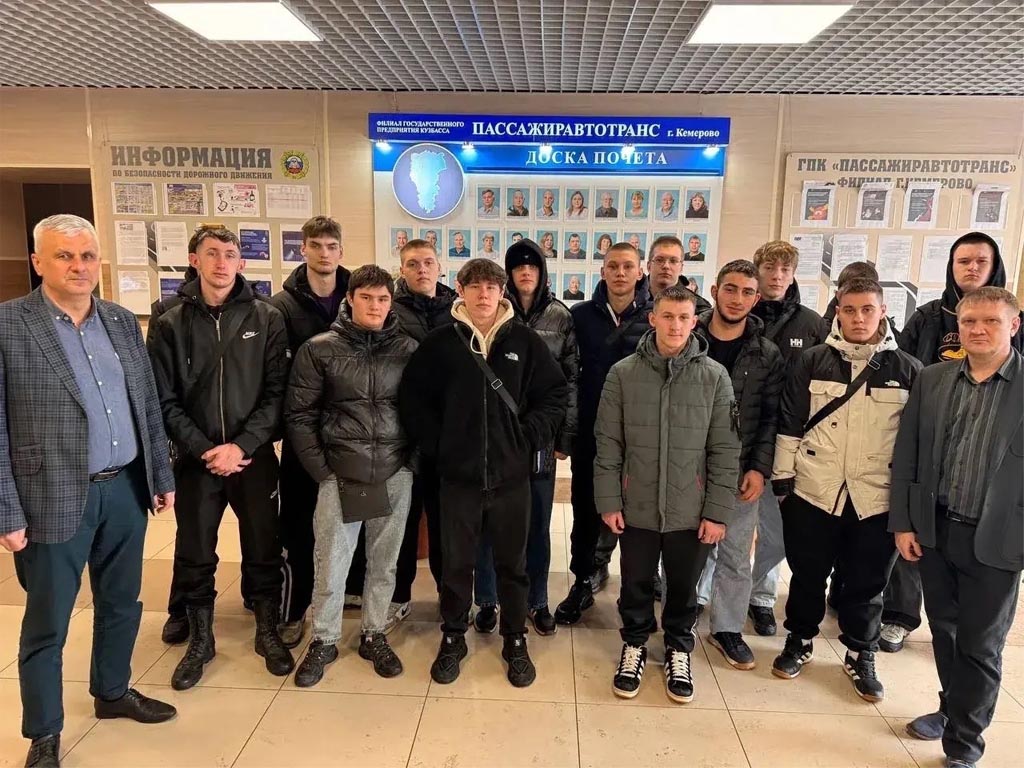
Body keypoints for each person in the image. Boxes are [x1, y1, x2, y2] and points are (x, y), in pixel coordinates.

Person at [1, 215, 178, 768]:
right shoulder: (8, 325)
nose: (79, 267)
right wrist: (6, 510)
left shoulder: (121, 322)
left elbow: (146, 404)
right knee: (48, 621)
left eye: (87, 256)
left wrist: (161, 476)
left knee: (122, 602)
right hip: (49, 496)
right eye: (64, 256)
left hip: (124, 487)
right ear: (38, 262)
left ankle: (112, 691)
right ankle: (44, 733)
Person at [399, 259, 568, 687]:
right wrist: (442, 447)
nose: (484, 294)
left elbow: (554, 394)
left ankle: (515, 637)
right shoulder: (441, 342)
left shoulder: (525, 341)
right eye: (474, 286)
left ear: (502, 290)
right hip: (458, 479)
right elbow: (414, 400)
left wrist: (526, 438)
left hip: (512, 479)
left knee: (513, 563)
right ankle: (454, 635)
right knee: (457, 563)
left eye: (492, 286)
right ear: (460, 289)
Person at [148, 226, 294, 691]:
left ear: (241, 262)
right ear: (194, 260)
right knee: (195, 550)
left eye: (230, 254)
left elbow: (277, 393)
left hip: (253, 458)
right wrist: (204, 448)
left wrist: (243, 445)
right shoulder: (169, 321)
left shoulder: (267, 316)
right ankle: (201, 639)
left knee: (263, 545)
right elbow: (163, 399)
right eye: (211, 253)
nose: (221, 262)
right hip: (198, 460)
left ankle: (267, 630)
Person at [770, 278, 921, 703]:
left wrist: (907, 501)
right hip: (814, 489)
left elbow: (913, 442)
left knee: (867, 581)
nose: (858, 318)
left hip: (875, 496)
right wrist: (783, 482)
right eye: (849, 309)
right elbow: (790, 421)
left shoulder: (908, 369)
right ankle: (799, 640)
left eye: (867, 309)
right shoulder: (812, 360)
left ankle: (860, 651)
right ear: (837, 311)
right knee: (807, 574)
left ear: (883, 311)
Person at [890, 287, 1022, 768]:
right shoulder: (933, 379)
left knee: (980, 645)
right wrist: (904, 523)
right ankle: (950, 709)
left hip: (999, 538)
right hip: (937, 530)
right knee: (944, 633)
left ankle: (965, 745)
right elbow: (907, 455)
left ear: (1014, 325)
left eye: (991, 321)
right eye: (969, 322)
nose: (978, 330)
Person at [881, 232, 1024, 655]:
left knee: (981, 639)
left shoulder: (1013, 321)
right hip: (936, 456)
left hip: (994, 500)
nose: (972, 268)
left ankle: (967, 695)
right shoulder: (928, 318)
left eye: (981, 261)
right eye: (964, 261)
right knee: (925, 574)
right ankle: (901, 617)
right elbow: (904, 367)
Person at [596, 285, 739, 703]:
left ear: (694, 321)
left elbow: (725, 449)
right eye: (668, 316)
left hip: (690, 508)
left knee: (683, 585)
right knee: (636, 581)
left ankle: (678, 646)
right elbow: (608, 443)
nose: (675, 325)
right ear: (653, 318)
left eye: (683, 317)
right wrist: (609, 500)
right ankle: (635, 643)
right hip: (636, 504)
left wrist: (717, 511)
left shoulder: (715, 376)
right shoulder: (623, 373)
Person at [285, 265, 418, 686]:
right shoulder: (319, 350)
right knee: (331, 563)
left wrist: (411, 463)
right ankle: (324, 639)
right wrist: (323, 471)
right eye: (366, 298)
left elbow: (425, 412)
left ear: (391, 302)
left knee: (384, 562)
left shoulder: (410, 350)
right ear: (350, 299)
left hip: (395, 472)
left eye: (382, 299)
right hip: (340, 475)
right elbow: (300, 415)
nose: (375, 306)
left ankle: (374, 633)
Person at [590, 236, 710, 592]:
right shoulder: (613, 311)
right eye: (660, 260)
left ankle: (658, 579)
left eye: (673, 260)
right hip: (620, 426)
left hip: (677, 436)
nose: (675, 325)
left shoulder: (699, 313)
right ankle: (596, 569)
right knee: (614, 516)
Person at [473, 240, 578, 636]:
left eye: (532, 265)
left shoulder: (560, 317)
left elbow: (571, 381)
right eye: (517, 266)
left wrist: (563, 435)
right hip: (495, 439)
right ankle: (487, 599)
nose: (526, 271)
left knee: (536, 525)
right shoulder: (494, 313)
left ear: (542, 271)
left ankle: (537, 600)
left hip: (540, 439)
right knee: (489, 523)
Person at [691, 261, 784, 669]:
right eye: (730, 289)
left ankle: (727, 628)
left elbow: (770, 417)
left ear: (757, 298)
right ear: (715, 291)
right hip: (688, 467)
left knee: (734, 554)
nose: (737, 299)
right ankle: (682, 615)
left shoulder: (767, 353)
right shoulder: (689, 339)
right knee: (684, 551)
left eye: (747, 292)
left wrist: (759, 468)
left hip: (740, 468)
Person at [555, 242, 652, 625]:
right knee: (585, 510)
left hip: (639, 436)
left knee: (637, 517)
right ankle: (581, 581)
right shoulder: (580, 316)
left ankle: (636, 595)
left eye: (628, 266)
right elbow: (567, 375)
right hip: (591, 433)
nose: (620, 273)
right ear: (602, 272)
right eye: (613, 266)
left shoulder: (654, 315)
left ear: (640, 272)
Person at [266, 216, 350, 650]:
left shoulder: (357, 296)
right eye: (315, 245)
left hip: (351, 431)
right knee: (298, 523)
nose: (324, 253)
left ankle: (342, 595)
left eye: (331, 246)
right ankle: (295, 607)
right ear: (303, 250)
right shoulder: (281, 307)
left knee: (348, 518)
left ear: (341, 251)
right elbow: (276, 374)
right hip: (303, 432)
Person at [746, 240, 829, 637]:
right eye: (769, 268)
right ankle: (704, 593)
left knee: (778, 531)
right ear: (758, 270)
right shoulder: (738, 313)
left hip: (788, 442)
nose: (777, 276)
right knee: (720, 524)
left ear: (793, 274)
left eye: (785, 269)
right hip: (742, 436)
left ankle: (761, 597)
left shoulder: (812, 324)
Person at [388, 238, 456, 625]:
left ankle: (449, 593)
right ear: (402, 269)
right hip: (403, 434)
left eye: (428, 262)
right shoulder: (389, 309)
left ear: (440, 267)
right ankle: (398, 595)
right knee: (403, 521)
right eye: (412, 264)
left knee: (445, 521)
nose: (421, 269)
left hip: (447, 436)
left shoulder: (457, 310)